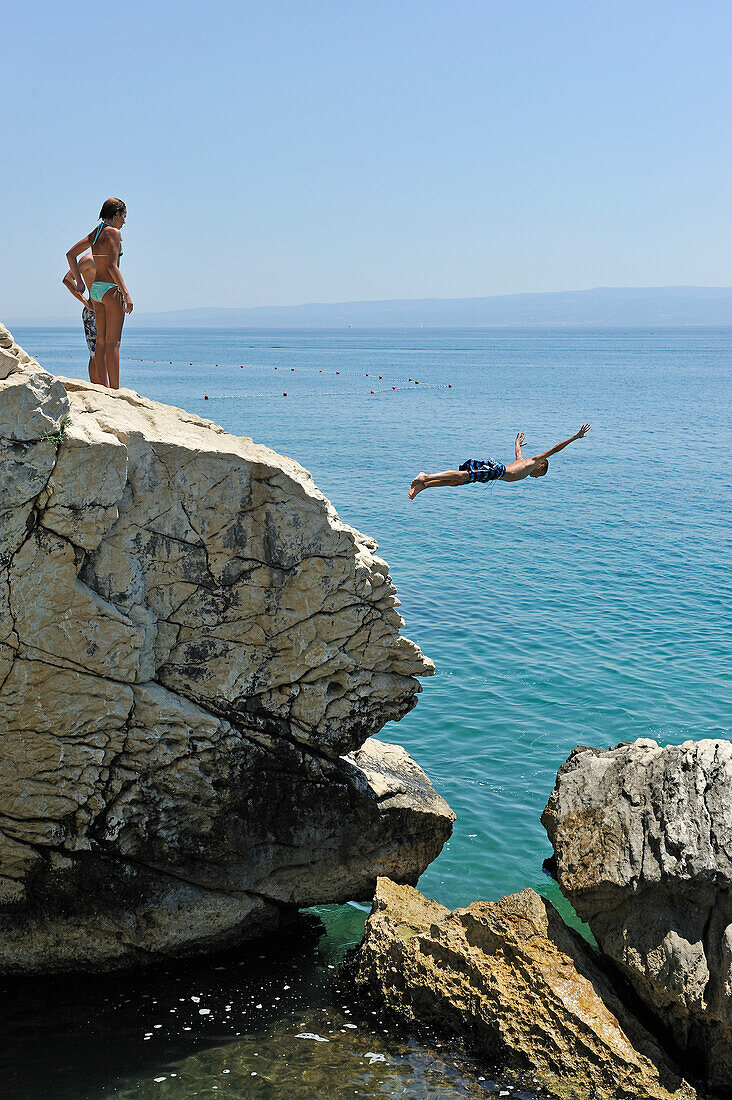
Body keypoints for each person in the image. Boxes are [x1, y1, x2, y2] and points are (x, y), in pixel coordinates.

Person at [408, 424, 591, 499]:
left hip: (495, 473)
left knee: (458, 482)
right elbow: (555, 449)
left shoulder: (525, 464)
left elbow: (518, 456)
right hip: (497, 470)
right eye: (539, 475)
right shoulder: (535, 461)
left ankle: (426, 485)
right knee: (464, 475)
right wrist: (575, 437)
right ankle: (426, 476)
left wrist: (517, 444)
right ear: (541, 466)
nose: (536, 477)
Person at [66, 198, 133, 390]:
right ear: (117, 213)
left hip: (95, 291)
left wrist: (79, 280)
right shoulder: (114, 232)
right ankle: (115, 390)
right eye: (124, 216)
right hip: (110, 290)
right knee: (114, 343)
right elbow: (112, 266)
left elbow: (70, 254)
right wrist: (126, 294)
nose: (124, 221)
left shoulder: (96, 233)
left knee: (101, 343)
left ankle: (102, 389)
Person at [62, 251, 106, 385]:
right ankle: (97, 387)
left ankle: (106, 386)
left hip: (108, 312)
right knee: (94, 353)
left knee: (106, 352)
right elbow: (67, 279)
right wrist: (84, 302)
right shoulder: (88, 259)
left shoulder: (109, 258)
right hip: (93, 311)